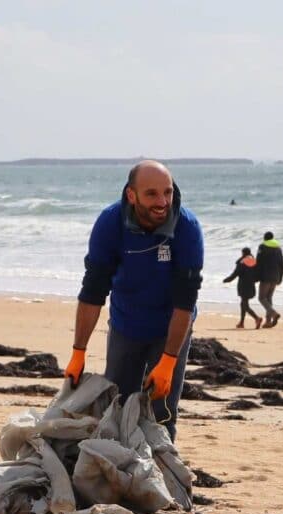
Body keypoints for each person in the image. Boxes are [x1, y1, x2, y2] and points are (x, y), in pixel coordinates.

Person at [65, 160, 204, 441]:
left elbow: (185, 302)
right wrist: (78, 351)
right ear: (131, 195)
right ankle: (118, 476)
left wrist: (168, 361)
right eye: (152, 193)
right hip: (126, 325)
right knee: (117, 407)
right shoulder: (110, 223)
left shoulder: (186, 228)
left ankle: (159, 481)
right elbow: (93, 291)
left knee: (161, 414)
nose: (163, 201)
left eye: (167, 192)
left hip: (170, 328)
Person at [224, 247, 262, 329]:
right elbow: (258, 274)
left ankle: (257, 318)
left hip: (243, 285)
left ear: (243, 253)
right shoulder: (254, 261)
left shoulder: (242, 262)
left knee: (245, 305)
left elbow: (236, 273)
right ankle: (241, 323)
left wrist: (227, 280)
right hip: (251, 285)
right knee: (243, 304)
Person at [256, 231, 283, 328]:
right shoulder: (278, 248)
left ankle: (273, 313)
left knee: (261, 298)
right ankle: (268, 322)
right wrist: (280, 277)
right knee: (269, 298)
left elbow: (258, 262)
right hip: (276, 276)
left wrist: (256, 276)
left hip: (265, 276)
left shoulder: (262, 247)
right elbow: (282, 265)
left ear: (265, 238)